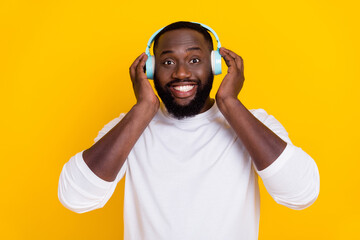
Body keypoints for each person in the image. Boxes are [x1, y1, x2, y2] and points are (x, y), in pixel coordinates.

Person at [58, 21, 320, 240]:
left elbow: (301, 193)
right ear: (149, 70)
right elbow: (75, 198)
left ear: (215, 65)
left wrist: (230, 103)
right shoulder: (130, 127)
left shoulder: (253, 123)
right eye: (168, 62)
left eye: (194, 59)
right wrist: (143, 109)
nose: (181, 72)